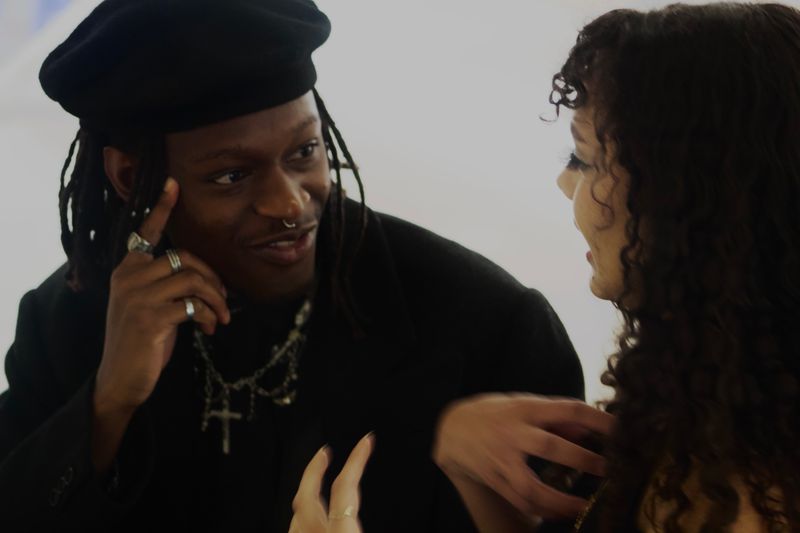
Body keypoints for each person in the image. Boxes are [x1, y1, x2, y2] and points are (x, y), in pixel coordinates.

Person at [0, 1, 609, 531]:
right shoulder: (68, 321)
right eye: (231, 176)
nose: (289, 202)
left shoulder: (484, 326)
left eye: (304, 152)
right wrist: (107, 404)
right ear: (132, 178)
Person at [297, 2, 800, 532]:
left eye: (584, 158)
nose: (566, 184)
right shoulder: (714, 403)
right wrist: (463, 456)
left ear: (688, 196)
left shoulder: (753, 499)